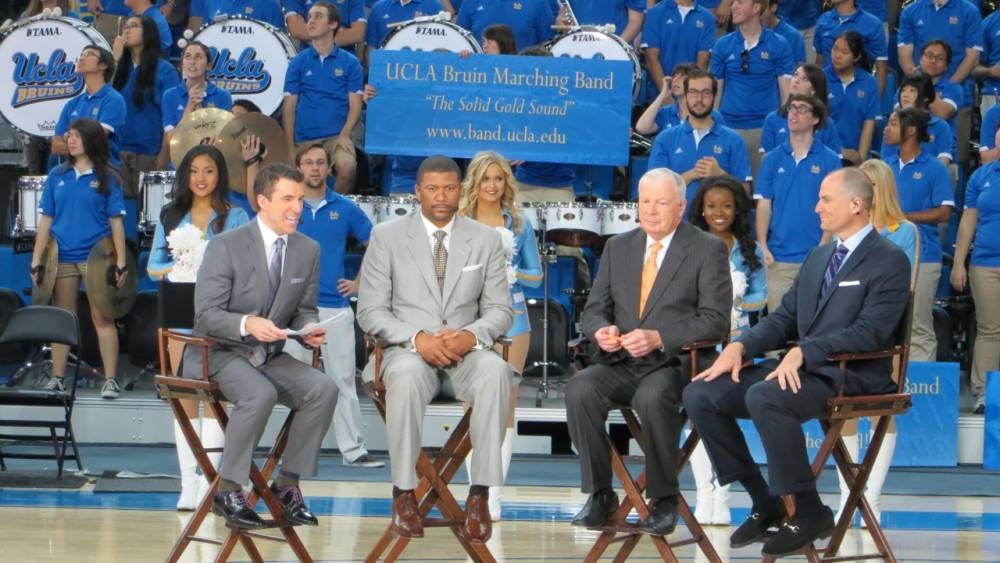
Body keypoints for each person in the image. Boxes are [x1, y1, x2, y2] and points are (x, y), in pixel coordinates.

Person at [684, 167, 911, 557]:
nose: (816, 206)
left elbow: (872, 332)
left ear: (857, 204)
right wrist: (741, 347)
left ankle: (808, 509)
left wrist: (807, 351)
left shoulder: (889, 260)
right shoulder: (819, 256)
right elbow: (784, 318)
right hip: (803, 369)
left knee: (766, 396)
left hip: (851, 374)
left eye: (825, 199)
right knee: (701, 392)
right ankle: (764, 499)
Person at [356, 156, 513, 544]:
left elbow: (500, 310)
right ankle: (404, 493)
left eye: (448, 188)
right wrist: (418, 338)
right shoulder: (387, 236)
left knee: (496, 371)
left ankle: (480, 494)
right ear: (417, 191)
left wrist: (471, 336)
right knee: (407, 376)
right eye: (432, 188)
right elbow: (370, 311)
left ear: (461, 190)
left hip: (466, 352)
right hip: (406, 351)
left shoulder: (486, 238)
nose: (440, 197)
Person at [565, 167, 731, 535]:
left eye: (661, 203)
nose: (651, 210)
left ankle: (664, 499)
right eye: (644, 202)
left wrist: (659, 337)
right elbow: (594, 309)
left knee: (654, 396)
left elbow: (715, 321)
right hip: (622, 360)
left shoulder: (707, 249)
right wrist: (600, 330)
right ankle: (600, 493)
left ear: (682, 206)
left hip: (676, 361)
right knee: (580, 388)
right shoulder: (618, 246)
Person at [185, 164, 337, 530]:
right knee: (259, 393)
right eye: (288, 199)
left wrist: (308, 330)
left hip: (269, 355)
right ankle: (230, 488)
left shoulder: (308, 249)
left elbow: (303, 310)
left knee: (324, 389)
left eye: (300, 199)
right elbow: (206, 315)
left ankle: (287, 485)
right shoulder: (225, 245)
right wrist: (247, 323)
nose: (297, 208)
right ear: (262, 201)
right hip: (219, 352)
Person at [146, 144, 249, 510]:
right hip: (178, 313)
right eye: (193, 171)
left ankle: (210, 478)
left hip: (219, 315)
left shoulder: (235, 216)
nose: (201, 178)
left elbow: (247, 266)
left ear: (219, 174)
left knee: (216, 397)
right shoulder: (170, 214)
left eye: (208, 170)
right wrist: (179, 265)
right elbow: (153, 265)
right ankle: (187, 481)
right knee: (184, 398)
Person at [281, 143, 384, 468]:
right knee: (292, 382)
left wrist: (359, 283)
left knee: (341, 380)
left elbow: (376, 243)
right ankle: (291, 451)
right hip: (292, 309)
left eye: (320, 163)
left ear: (329, 168)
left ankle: (353, 450)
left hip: (334, 307)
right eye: (308, 162)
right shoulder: (286, 206)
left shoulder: (345, 207)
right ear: (298, 167)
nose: (314, 168)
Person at [829, 158, 919, 525]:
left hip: (886, 334)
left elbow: (904, 288)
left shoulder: (903, 231)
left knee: (882, 412)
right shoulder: (841, 234)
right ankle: (847, 499)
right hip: (845, 332)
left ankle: (873, 500)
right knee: (844, 413)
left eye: (865, 185)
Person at [459, 151, 543, 521]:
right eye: (486, 178)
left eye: (499, 178)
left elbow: (536, 276)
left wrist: (509, 274)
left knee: (506, 403)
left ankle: (494, 492)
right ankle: (475, 490)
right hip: (469, 320)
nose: (492, 185)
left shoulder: (520, 224)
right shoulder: (459, 222)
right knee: (472, 403)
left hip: (515, 320)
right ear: (474, 182)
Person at [686, 174, 767, 525]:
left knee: (725, 418)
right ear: (701, 210)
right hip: (698, 345)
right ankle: (704, 492)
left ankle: (724, 492)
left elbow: (761, 297)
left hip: (737, 345)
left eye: (727, 206)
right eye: (712, 206)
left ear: (738, 210)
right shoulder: (689, 245)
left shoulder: (751, 249)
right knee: (695, 415)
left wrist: (734, 297)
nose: (719, 212)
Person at [31, 119, 128, 400]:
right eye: (69, 136)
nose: (71, 141)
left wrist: (120, 261)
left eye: (77, 136)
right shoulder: (56, 175)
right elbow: (46, 220)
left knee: (102, 317)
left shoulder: (108, 177)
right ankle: (58, 378)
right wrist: (36, 259)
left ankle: (110, 380)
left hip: (96, 257)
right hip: (61, 255)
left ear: (91, 140)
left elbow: (116, 222)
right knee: (64, 316)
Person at [757, 93, 843, 310]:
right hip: (778, 258)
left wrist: (823, 249)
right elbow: (764, 204)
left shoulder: (831, 160)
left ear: (815, 119)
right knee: (778, 327)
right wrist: (763, 245)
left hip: (815, 256)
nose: (793, 113)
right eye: (791, 108)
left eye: (802, 108)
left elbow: (835, 208)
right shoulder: (772, 159)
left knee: (813, 325)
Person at [883, 108, 953, 363]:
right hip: (886, 257)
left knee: (919, 326)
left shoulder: (934, 168)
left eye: (892, 123)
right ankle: (889, 388)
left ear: (911, 130)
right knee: (887, 327)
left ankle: (921, 392)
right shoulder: (885, 167)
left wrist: (903, 217)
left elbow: (945, 212)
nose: (886, 128)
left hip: (923, 256)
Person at [283, 2, 364, 195]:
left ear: (333, 24)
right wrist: (289, 147)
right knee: (294, 178)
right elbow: (289, 107)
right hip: (304, 139)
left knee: (347, 167)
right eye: (309, 16)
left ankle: (333, 206)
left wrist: (345, 134)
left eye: (318, 16)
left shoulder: (350, 63)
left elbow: (355, 105)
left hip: (336, 137)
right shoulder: (297, 62)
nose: (310, 21)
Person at [711, 0, 794, 174]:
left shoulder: (779, 44)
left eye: (739, 2)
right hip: (729, 128)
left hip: (764, 130)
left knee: (760, 194)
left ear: (756, 8)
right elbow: (715, 93)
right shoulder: (722, 45)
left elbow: (786, 94)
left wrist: (782, 129)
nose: (733, 7)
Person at [647, 69, 753, 204]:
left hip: (717, 223)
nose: (699, 99)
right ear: (685, 96)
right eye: (693, 92)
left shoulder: (733, 139)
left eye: (706, 93)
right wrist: (691, 175)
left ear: (714, 96)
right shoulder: (666, 138)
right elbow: (654, 190)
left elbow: (745, 193)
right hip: (677, 222)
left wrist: (720, 175)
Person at [951, 126, 1000, 415]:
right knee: (989, 329)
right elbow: (968, 222)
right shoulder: (981, 176)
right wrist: (959, 262)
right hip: (985, 263)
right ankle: (984, 393)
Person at [112, 15, 180, 198]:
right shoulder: (118, 68)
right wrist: (115, 60)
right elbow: (105, 100)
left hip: (150, 152)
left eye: (133, 26)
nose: (127, 30)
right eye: (125, 26)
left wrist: (164, 155)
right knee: (122, 214)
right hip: (119, 152)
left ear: (148, 33)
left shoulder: (165, 70)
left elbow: (171, 117)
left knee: (148, 217)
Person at [49, 46, 126, 172]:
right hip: (72, 173)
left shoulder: (113, 99)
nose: (82, 58)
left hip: (102, 173)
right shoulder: (72, 103)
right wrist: (83, 144)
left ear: (103, 65)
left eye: (89, 54)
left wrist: (69, 139)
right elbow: (56, 146)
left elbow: (97, 139)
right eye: (81, 54)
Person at [160, 41, 233, 169]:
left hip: (212, 164)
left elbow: (223, 140)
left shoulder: (223, 96)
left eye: (198, 57)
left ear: (208, 65)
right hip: (180, 166)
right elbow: (172, 140)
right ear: (182, 63)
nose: (192, 61)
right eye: (187, 56)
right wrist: (189, 106)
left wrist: (201, 110)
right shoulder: (170, 95)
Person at [759, 63, 843, 157]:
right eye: (795, 75)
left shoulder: (826, 123)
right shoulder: (772, 119)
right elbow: (766, 161)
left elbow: (835, 163)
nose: (797, 80)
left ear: (814, 89)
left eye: (805, 78)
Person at [640, 0, 716, 98]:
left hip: (690, 98)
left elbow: (703, 62)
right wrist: (665, 95)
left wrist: (690, 95)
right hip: (658, 96)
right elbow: (651, 58)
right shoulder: (655, 13)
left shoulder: (708, 17)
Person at [825, 31, 879, 165]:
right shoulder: (820, 78)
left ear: (856, 57)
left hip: (855, 156)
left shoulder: (869, 82)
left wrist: (860, 159)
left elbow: (869, 123)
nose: (837, 55)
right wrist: (839, 151)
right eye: (835, 49)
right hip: (826, 154)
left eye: (845, 52)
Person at [897, 0, 984, 83]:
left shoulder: (970, 11)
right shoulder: (910, 11)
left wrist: (948, 88)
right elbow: (904, 56)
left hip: (959, 90)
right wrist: (921, 87)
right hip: (921, 90)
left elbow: (973, 58)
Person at [879, 72, 955, 166]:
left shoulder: (941, 127)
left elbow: (942, 163)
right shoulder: (893, 125)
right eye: (903, 90)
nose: (905, 95)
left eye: (912, 91)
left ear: (926, 97)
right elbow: (885, 162)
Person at [813, 0, 888, 93]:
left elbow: (881, 67)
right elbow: (819, 61)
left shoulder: (873, 24)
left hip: (858, 92)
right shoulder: (823, 20)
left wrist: (875, 101)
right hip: (827, 90)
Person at [363, 0, 445, 66]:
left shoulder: (434, 5)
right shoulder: (378, 7)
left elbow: (441, 46)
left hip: (423, 71)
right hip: (386, 72)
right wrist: (376, 77)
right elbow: (371, 48)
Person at [456, 0, 554, 53]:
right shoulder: (470, 2)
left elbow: (546, 44)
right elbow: (460, 42)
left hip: (523, 77)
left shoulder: (538, 2)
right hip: (480, 75)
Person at [916, 40, 968, 139]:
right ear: (921, 59)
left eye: (940, 58)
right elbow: (900, 112)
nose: (933, 61)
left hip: (941, 145)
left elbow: (942, 114)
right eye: (929, 55)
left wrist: (924, 84)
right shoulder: (907, 85)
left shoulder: (954, 88)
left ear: (946, 66)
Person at [285, 0, 367, 48]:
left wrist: (314, 33)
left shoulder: (378, 7)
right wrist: (338, 31)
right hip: (308, 58)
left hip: (344, 59)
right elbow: (296, 29)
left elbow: (358, 34)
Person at [559, 0, 645, 44]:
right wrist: (561, 21)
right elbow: (561, 17)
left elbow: (636, 21)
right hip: (576, 48)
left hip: (617, 54)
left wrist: (617, 48)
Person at [188, 0, 286, 31]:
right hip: (213, 64)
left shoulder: (270, 4)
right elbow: (193, 35)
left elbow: (278, 43)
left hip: (257, 69)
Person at [763, 0, 806, 65]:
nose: (756, 14)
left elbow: (799, 70)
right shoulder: (745, 32)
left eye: (762, 9)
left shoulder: (794, 37)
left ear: (773, 7)